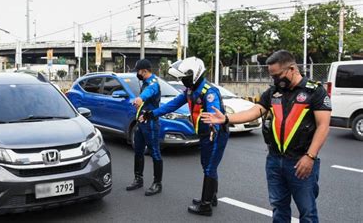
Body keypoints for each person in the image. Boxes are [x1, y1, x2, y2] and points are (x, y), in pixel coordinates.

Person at [203, 50, 331, 222]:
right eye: (272, 76)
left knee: (307, 211)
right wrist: (226, 118)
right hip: (275, 160)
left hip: (301, 160)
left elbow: (323, 126)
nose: (275, 80)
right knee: (278, 207)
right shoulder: (273, 92)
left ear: (292, 69)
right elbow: (255, 111)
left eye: (277, 75)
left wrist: (310, 156)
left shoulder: (314, 91)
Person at [141, 57, 229, 216]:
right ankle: (212, 197)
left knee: (209, 167)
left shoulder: (208, 92)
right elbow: (172, 104)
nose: (182, 81)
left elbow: (214, 113)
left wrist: (213, 129)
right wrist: (152, 114)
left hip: (214, 134)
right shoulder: (190, 90)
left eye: (184, 78)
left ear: (194, 74)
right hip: (204, 134)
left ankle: (205, 205)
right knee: (207, 165)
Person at [126, 58, 163, 196]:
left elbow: (148, 93)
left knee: (155, 152)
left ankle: (157, 183)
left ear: (144, 71)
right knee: (138, 150)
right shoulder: (145, 82)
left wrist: (140, 98)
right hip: (141, 122)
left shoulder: (153, 84)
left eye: (138, 71)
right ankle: (138, 179)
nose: (137, 73)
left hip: (151, 123)